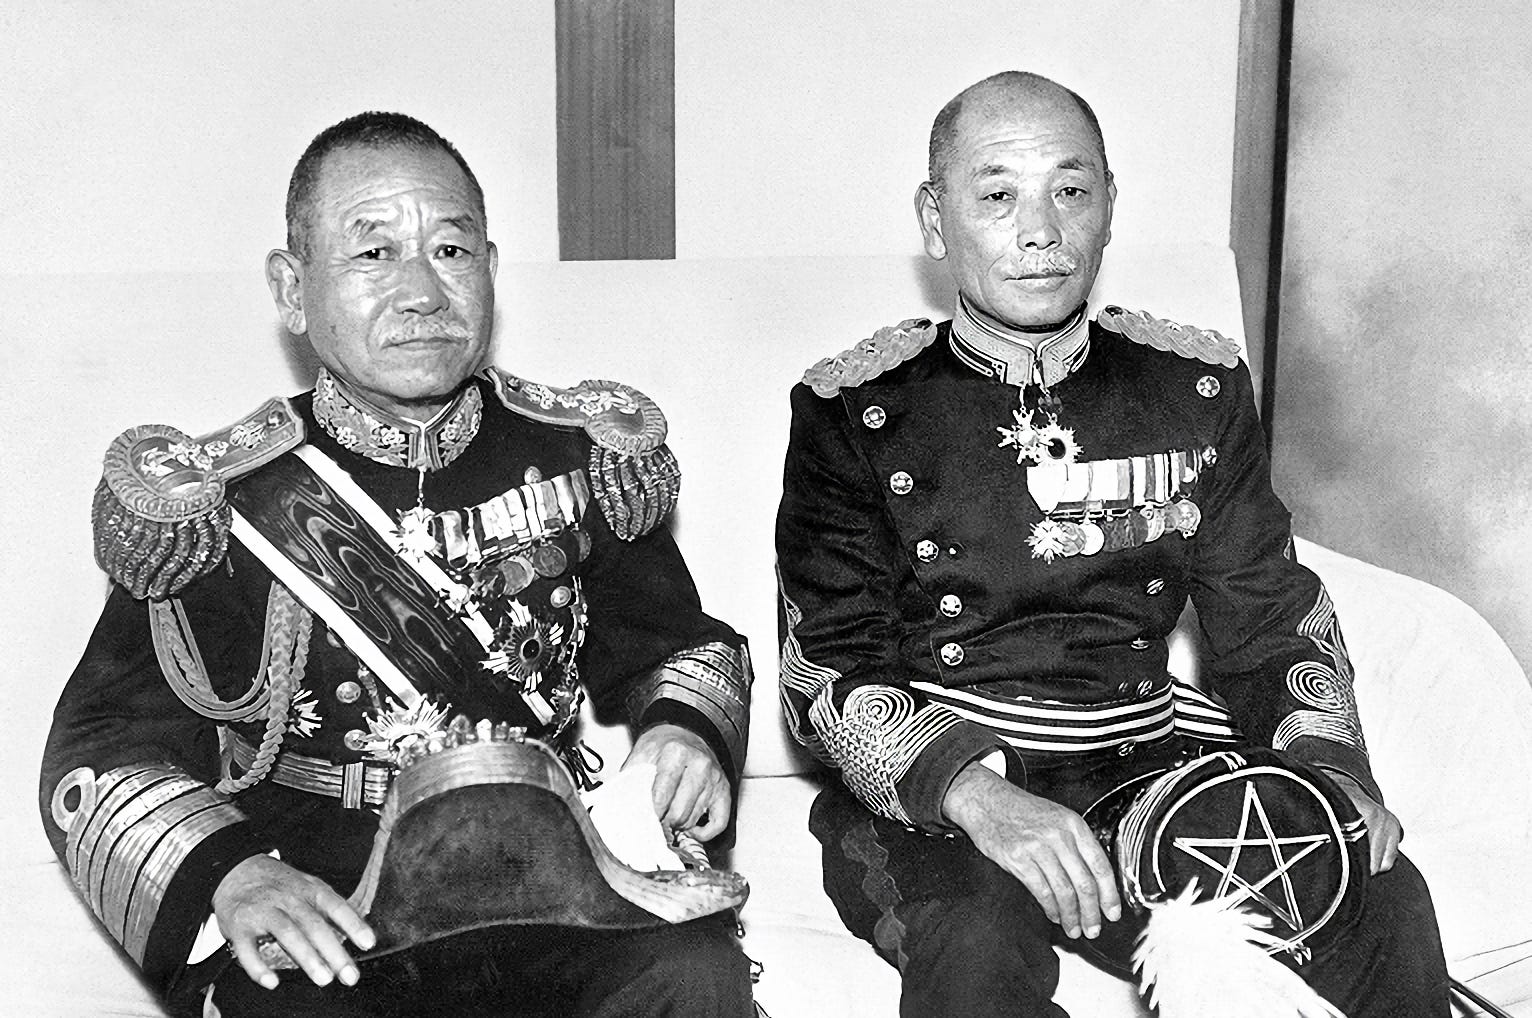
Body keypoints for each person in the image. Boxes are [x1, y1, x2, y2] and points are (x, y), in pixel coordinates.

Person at [40, 112, 755, 1018]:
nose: (421, 291)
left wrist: (682, 732)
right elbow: (104, 750)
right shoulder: (224, 503)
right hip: (329, 894)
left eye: (450, 251)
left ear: (490, 270)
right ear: (293, 289)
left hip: (555, 879)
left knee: (694, 978)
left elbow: (682, 648)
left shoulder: (580, 456)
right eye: (374, 254)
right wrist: (234, 875)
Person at [774, 71, 1450, 1017]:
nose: (1040, 231)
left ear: (1108, 206)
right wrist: (979, 798)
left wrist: (1332, 772)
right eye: (997, 195)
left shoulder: (1194, 391)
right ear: (935, 220)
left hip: (1143, 764)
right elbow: (826, 667)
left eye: (1071, 190)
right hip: (949, 791)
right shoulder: (855, 412)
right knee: (976, 949)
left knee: (1379, 894)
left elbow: (1270, 616)